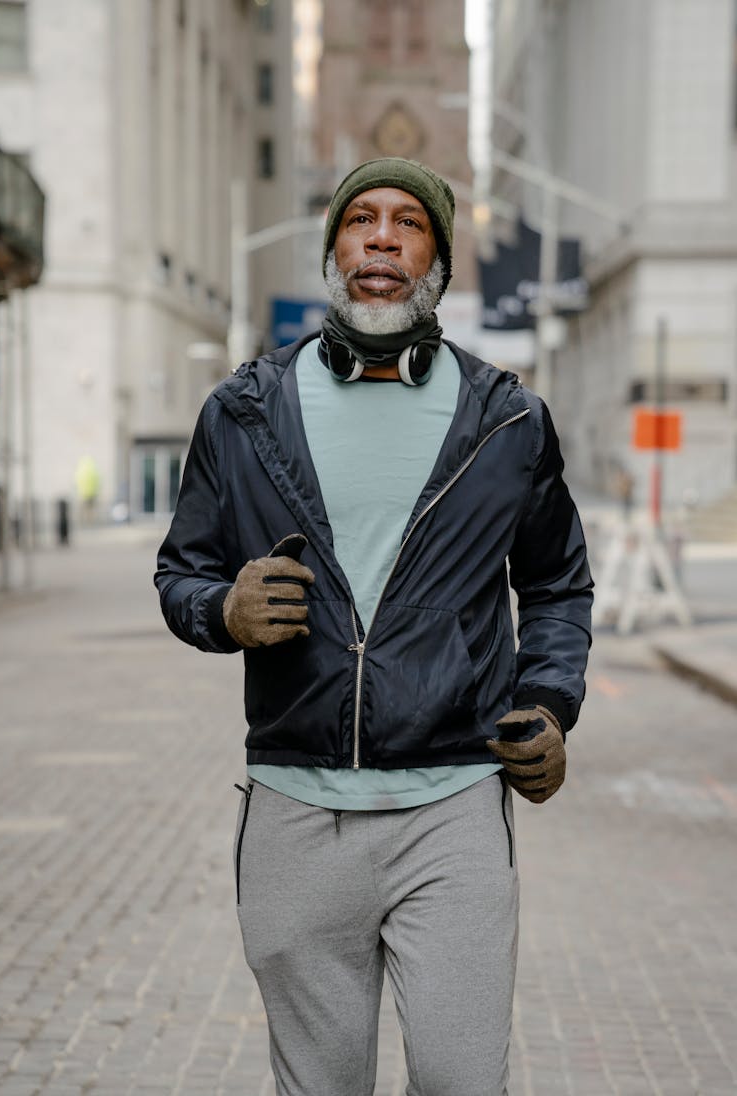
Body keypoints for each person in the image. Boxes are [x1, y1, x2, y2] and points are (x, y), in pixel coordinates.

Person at [155, 157, 593, 1096]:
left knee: (461, 1079)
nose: (382, 238)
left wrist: (551, 704)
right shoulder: (243, 411)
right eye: (360, 220)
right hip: (294, 811)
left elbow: (557, 586)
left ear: (436, 258)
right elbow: (180, 570)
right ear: (334, 250)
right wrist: (223, 609)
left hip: (455, 809)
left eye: (409, 223)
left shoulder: (508, 418)